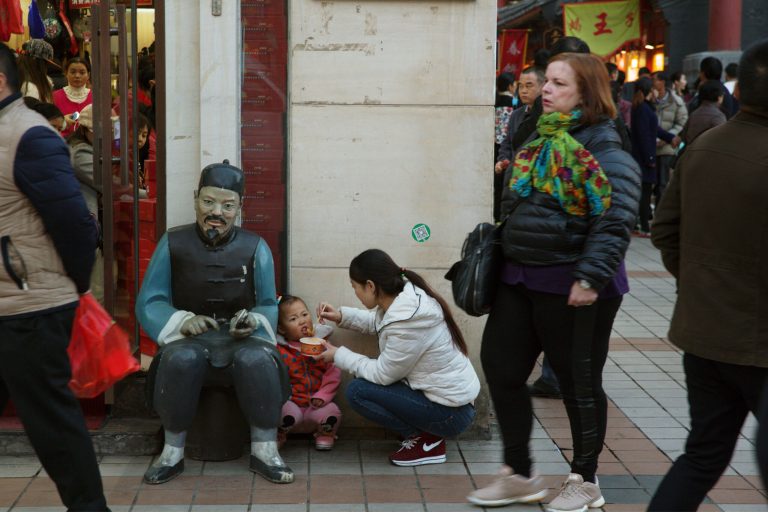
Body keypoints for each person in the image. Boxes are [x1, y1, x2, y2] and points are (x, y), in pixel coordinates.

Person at [467, 53, 641, 511]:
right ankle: (520, 473)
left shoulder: (606, 149)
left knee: (577, 383)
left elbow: (616, 217)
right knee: (502, 368)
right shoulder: (538, 135)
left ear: (586, 94)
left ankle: (585, 480)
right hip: (519, 276)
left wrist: (590, 276)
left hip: (573, 283)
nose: (546, 89)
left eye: (560, 84)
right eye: (548, 81)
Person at [648, 37, 768, 512]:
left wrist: (699, 281)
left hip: (703, 335)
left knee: (703, 454)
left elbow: (663, 230)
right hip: (758, 344)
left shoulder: (702, 147)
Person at [136, 160, 293, 485]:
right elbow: (150, 299)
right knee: (182, 358)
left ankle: (265, 450)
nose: (216, 212)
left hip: (242, 339)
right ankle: (171, 452)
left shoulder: (256, 247)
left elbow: (267, 302)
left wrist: (253, 321)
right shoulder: (173, 243)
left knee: (256, 360)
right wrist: (182, 321)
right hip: (189, 339)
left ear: (239, 207)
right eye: (208, 201)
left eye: (227, 205)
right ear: (195, 199)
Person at [0, 43, 109, 511]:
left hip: (31, 305)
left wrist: (75, 285)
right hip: (11, 301)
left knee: (53, 427)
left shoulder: (30, 135)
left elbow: (76, 224)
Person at [315, 249, 480, 466]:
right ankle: (425, 435)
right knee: (362, 382)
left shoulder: (407, 320)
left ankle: (427, 440)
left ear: (370, 286)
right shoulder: (405, 302)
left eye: (355, 287)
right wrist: (341, 316)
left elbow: (383, 374)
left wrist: (338, 355)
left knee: (358, 391)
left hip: (450, 414)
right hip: (449, 403)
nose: (355, 292)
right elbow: (382, 323)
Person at [276, 295, 341, 451]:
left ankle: (325, 434)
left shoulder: (323, 344)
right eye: (293, 319)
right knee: (283, 413)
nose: (302, 321)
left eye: (304, 315)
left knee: (332, 412)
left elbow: (333, 373)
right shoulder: (280, 350)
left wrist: (323, 396)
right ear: (282, 329)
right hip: (291, 404)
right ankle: (279, 434)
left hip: (316, 406)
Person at [630, 76, 679, 237]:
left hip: (642, 156)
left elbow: (655, 130)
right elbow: (645, 135)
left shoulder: (642, 108)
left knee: (643, 192)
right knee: (644, 193)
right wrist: (650, 159)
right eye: (654, 89)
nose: (656, 91)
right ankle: (643, 226)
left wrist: (670, 138)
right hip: (644, 158)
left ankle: (639, 224)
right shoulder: (643, 109)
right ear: (649, 90)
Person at [652, 71, 687, 209]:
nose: (652, 82)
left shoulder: (676, 101)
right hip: (651, 147)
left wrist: (668, 137)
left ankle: (661, 211)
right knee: (652, 183)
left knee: (663, 182)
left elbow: (682, 122)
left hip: (667, 147)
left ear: (662, 82)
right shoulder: (650, 99)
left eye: (655, 80)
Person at [52, 57, 92, 138]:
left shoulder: (97, 98)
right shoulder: (54, 97)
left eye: (82, 72)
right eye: (73, 72)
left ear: (88, 75)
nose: (77, 76)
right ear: (66, 73)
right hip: (62, 143)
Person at [681, 80, 726, 145]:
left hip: (690, 149)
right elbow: (722, 141)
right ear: (719, 98)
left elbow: (684, 137)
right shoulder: (719, 116)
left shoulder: (694, 114)